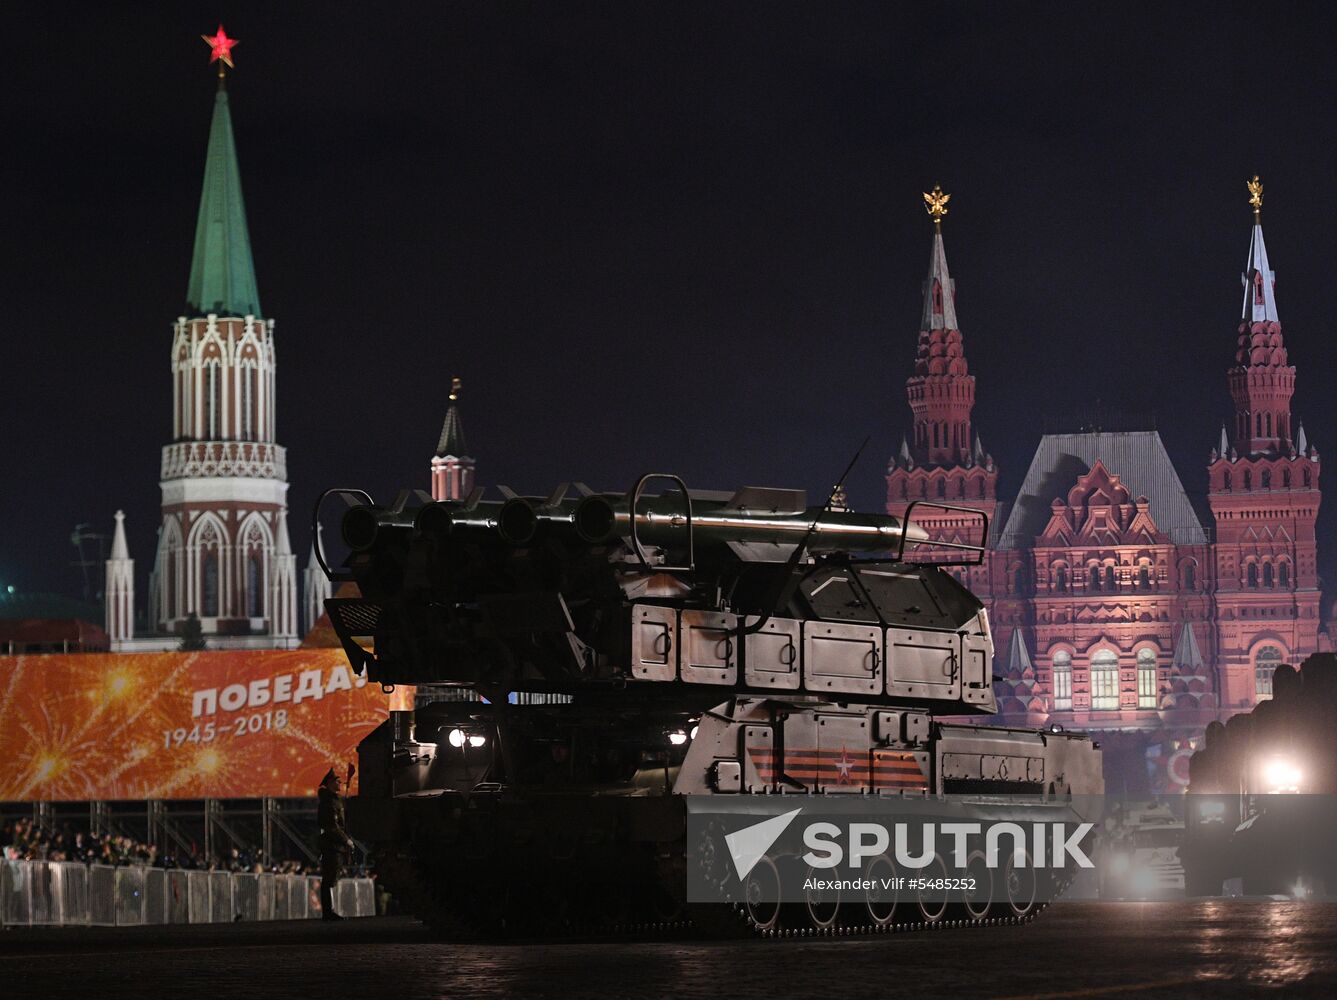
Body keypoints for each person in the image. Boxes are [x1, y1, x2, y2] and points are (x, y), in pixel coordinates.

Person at [318, 762, 356, 920]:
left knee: (332, 877)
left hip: (335, 845)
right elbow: (332, 826)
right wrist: (346, 840)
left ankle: (330, 911)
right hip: (332, 845)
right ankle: (329, 911)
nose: (340, 783)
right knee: (329, 878)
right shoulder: (329, 802)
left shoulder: (335, 800)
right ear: (329, 783)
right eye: (337, 781)